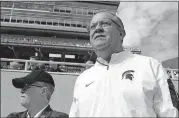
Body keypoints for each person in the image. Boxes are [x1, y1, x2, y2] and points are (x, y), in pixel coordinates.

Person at [69, 11, 178, 117]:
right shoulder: (82, 79)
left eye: (105, 23)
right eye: (92, 27)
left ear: (121, 33)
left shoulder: (150, 66)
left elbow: (171, 112)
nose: (97, 28)